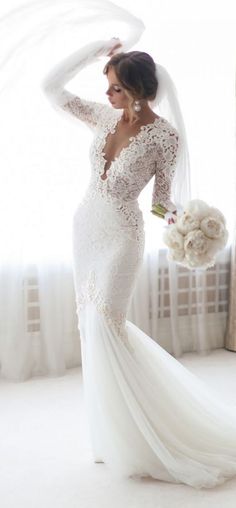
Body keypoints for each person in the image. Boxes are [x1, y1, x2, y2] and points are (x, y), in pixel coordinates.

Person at [41, 37, 236, 489]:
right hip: (86, 227)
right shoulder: (100, 117)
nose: (108, 95)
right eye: (107, 86)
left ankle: (152, 431)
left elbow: (160, 201)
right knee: (89, 324)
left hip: (123, 234)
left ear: (138, 90)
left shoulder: (165, 135)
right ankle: (112, 436)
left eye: (115, 88)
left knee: (109, 321)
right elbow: (51, 88)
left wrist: (186, 223)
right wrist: (96, 53)